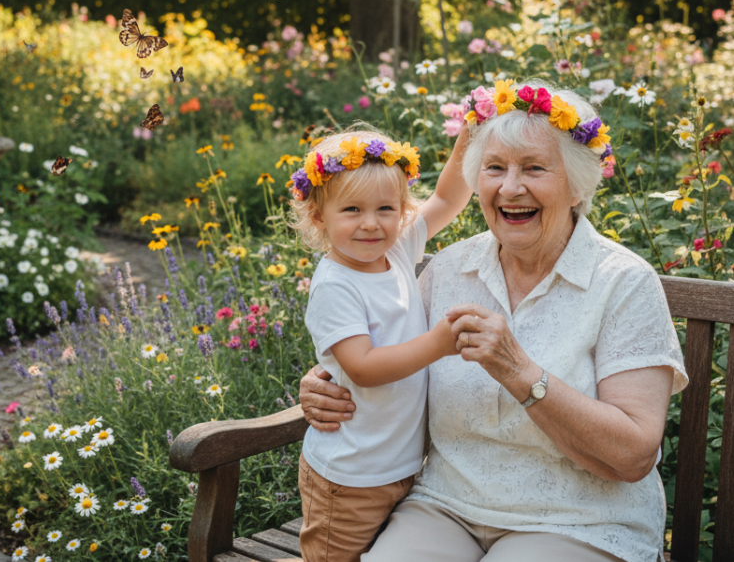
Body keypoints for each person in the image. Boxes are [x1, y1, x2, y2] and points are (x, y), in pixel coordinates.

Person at [299, 83, 688, 562]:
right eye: (495, 168)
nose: (510, 188)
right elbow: (384, 353)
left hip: (578, 521)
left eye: (534, 168)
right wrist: (325, 379)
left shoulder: (623, 283)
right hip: (446, 505)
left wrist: (522, 374)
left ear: (578, 184)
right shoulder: (448, 270)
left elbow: (634, 455)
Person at [290, 127, 471, 562]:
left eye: (386, 209)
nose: (371, 223)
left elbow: (447, 198)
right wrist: (438, 343)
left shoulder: (398, 249)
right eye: (352, 209)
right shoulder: (336, 284)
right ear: (319, 217)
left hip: (400, 468)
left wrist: (470, 134)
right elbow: (364, 367)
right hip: (351, 476)